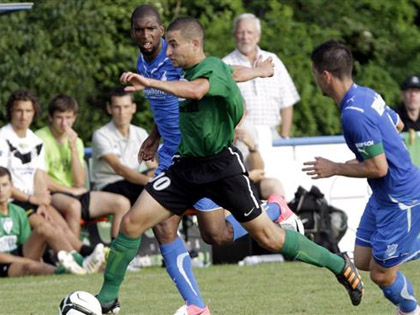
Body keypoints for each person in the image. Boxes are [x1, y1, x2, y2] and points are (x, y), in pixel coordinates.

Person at [96, 17, 364, 314]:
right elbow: (206, 86)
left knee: (268, 237)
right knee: (134, 223)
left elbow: (198, 89)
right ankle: (109, 298)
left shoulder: (208, 69)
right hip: (184, 167)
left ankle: (338, 264)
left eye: (173, 45)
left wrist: (149, 82)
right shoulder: (188, 70)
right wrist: (155, 135)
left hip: (222, 168)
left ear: (194, 44)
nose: (167, 51)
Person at [304, 39, 420, 315]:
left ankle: (410, 310)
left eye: (314, 75)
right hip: (383, 196)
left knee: (381, 275)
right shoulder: (366, 95)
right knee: (364, 259)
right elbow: (398, 123)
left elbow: (379, 168)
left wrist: (335, 167)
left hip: (400, 198)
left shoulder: (353, 116)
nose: (315, 81)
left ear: (326, 76)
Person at [0, 90, 104, 274]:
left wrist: (42, 199)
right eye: (19, 111)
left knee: (59, 225)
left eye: (28, 111)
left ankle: (83, 257)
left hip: (32, 199)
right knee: (50, 227)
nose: (23, 116)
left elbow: (39, 174)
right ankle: (82, 258)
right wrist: (33, 200)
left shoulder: (34, 140)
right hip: (13, 201)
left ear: (34, 113)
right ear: (11, 112)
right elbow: (3, 181)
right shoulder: (3, 137)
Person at [35, 94, 131, 240]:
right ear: (50, 118)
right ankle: (75, 258)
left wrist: (73, 148)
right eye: (59, 118)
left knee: (122, 203)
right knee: (74, 206)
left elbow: (79, 181)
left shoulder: (77, 142)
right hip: (51, 194)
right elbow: (41, 179)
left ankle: (116, 257)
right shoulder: (39, 138)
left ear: (74, 118)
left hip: (75, 192)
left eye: (68, 118)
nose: (64, 124)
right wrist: (70, 190)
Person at [223, 13, 300, 140]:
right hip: (241, 136)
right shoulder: (225, 64)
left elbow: (287, 102)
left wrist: (285, 137)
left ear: (258, 36)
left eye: (249, 32)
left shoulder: (273, 60)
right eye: (241, 32)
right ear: (234, 35)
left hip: (272, 135)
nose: (245, 37)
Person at [0, 166, 86, 277]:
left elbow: (25, 244)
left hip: (21, 257)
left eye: (4, 185)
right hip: (6, 263)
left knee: (45, 227)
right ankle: (62, 271)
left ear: (12, 186)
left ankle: (79, 260)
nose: (1, 190)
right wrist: (27, 262)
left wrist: (30, 259)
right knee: (28, 267)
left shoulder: (19, 212)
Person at [91, 86, 157, 206]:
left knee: (164, 194)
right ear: (109, 109)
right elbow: (120, 169)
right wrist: (151, 181)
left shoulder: (140, 132)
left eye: (126, 107)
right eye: (117, 107)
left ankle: (185, 222)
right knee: (155, 195)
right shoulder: (101, 134)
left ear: (133, 108)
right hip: (108, 185)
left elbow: (152, 166)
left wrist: (155, 175)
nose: (122, 112)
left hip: (133, 182)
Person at [234, 112, 285, 199]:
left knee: (274, 185)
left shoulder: (247, 127)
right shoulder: (219, 131)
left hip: (246, 181)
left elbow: (259, 170)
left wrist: (252, 147)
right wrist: (249, 176)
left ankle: (283, 211)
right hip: (229, 186)